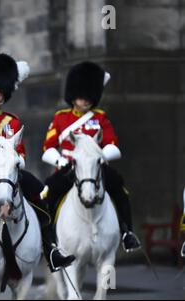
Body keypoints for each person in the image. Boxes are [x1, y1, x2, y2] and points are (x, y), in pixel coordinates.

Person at [0, 51, 75, 275]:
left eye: (2, 91)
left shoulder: (12, 122)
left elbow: (21, 153)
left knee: (40, 194)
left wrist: (16, 162)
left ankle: (50, 247)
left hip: (7, 174)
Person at [41, 61, 141, 252]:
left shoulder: (100, 118)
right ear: (73, 96)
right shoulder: (61, 118)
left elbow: (112, 144)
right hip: (69, 167)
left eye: (88, 96)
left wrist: (100, 157)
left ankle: (127, 233)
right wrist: (61, 162)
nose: (85, 100)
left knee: (119, 188)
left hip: (95, 167)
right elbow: (49, 147)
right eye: (81, 96)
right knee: (50, 192)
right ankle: (49, 238)